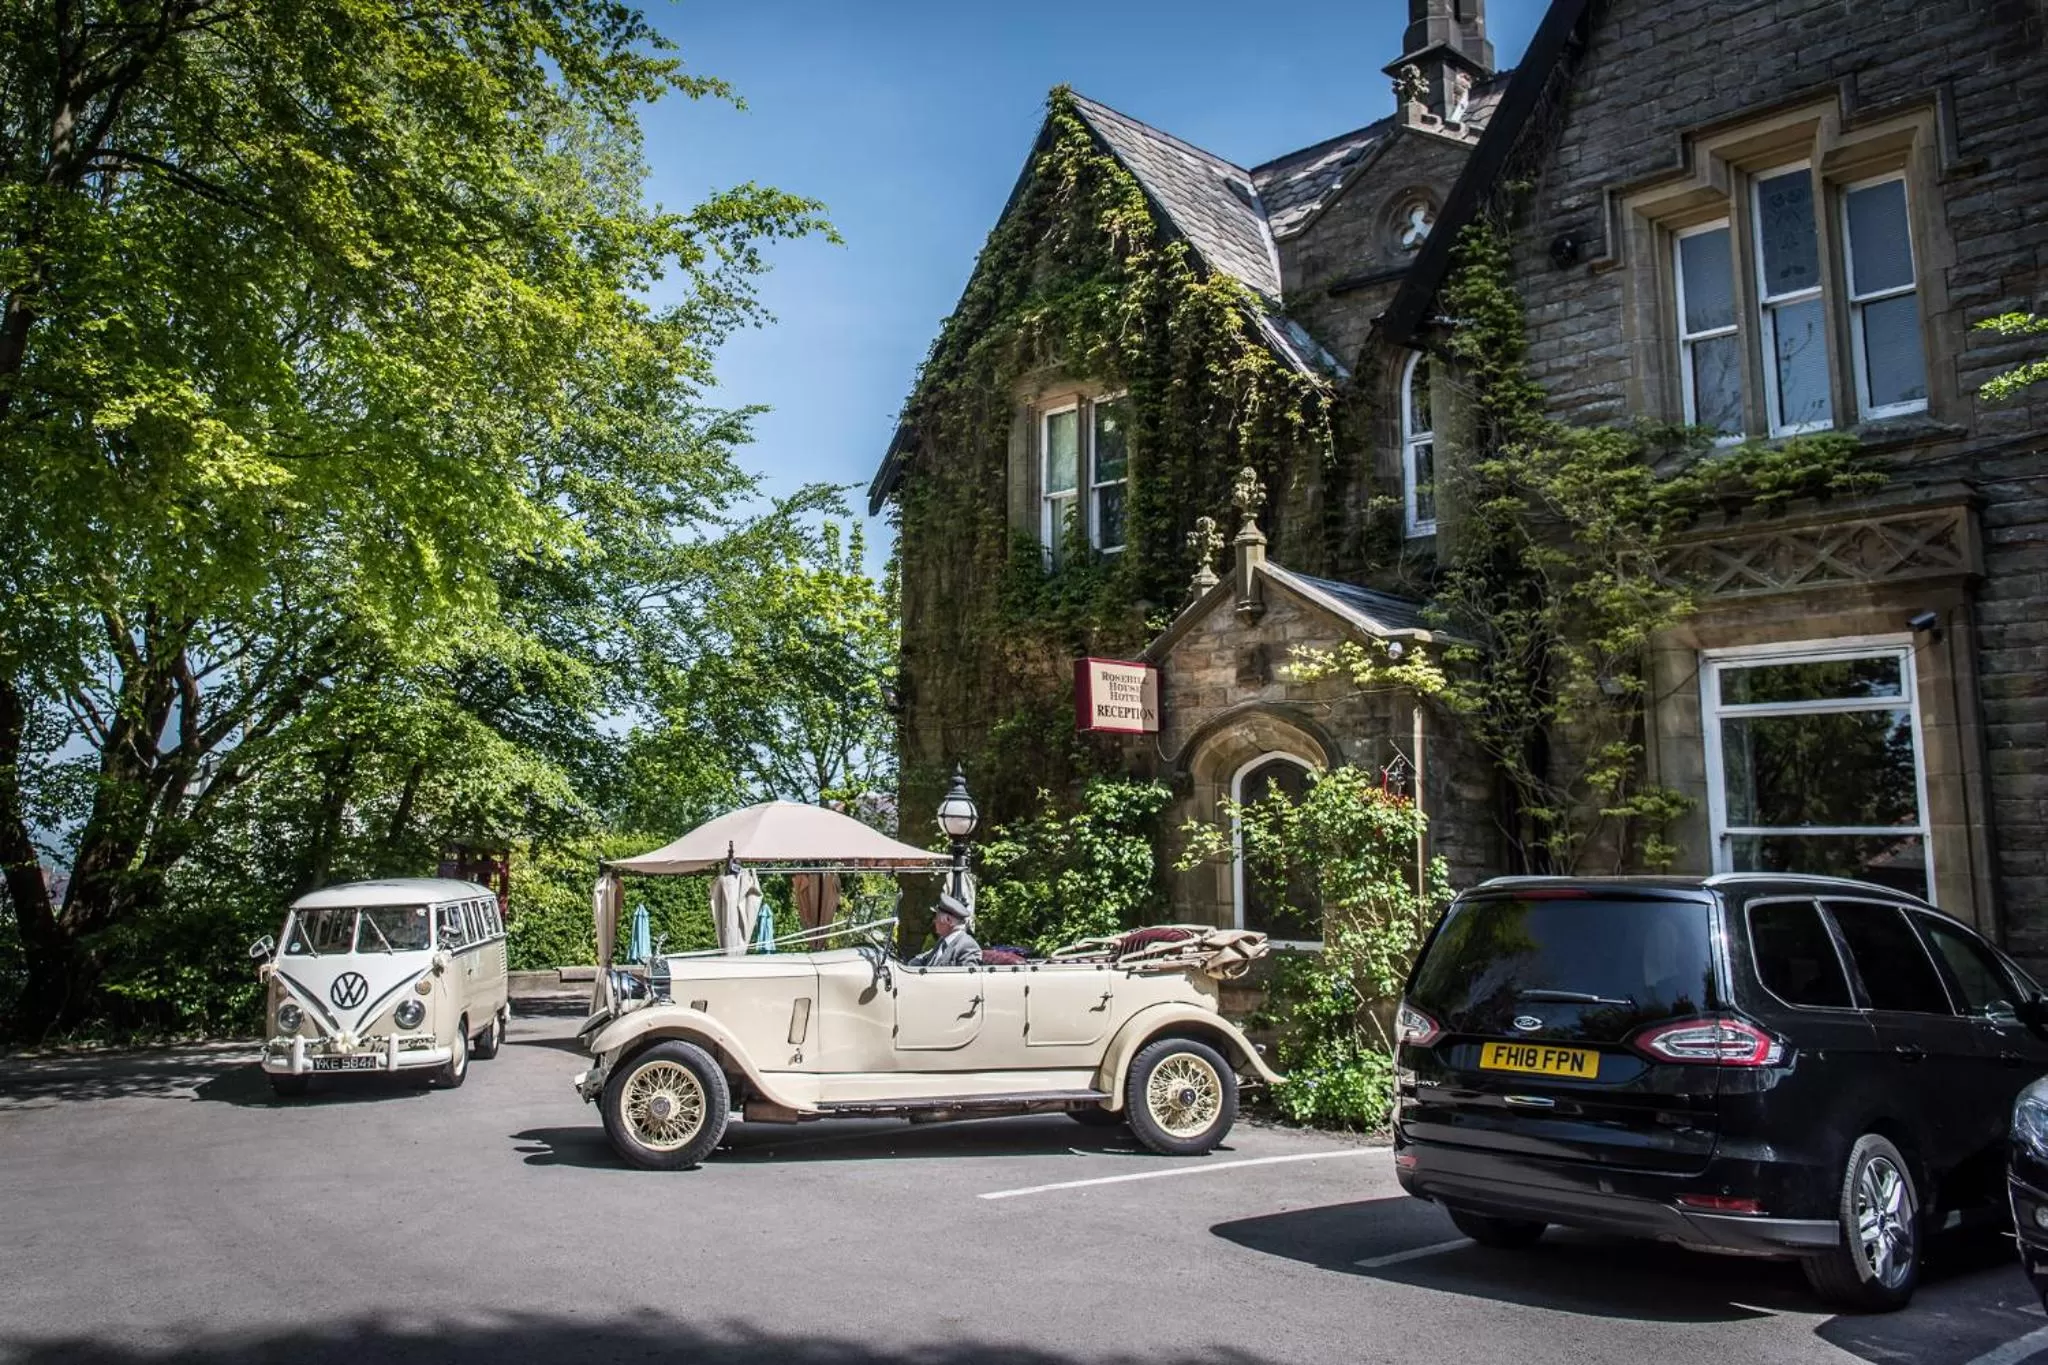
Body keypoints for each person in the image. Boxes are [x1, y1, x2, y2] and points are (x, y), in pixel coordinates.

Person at [909, 893, 982, 967]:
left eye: (937, 917)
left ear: (948, 920)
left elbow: (968, 977)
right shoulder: (943, 941)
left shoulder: (967, 946)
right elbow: (926, 957)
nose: (934, 921)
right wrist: (912, 964)